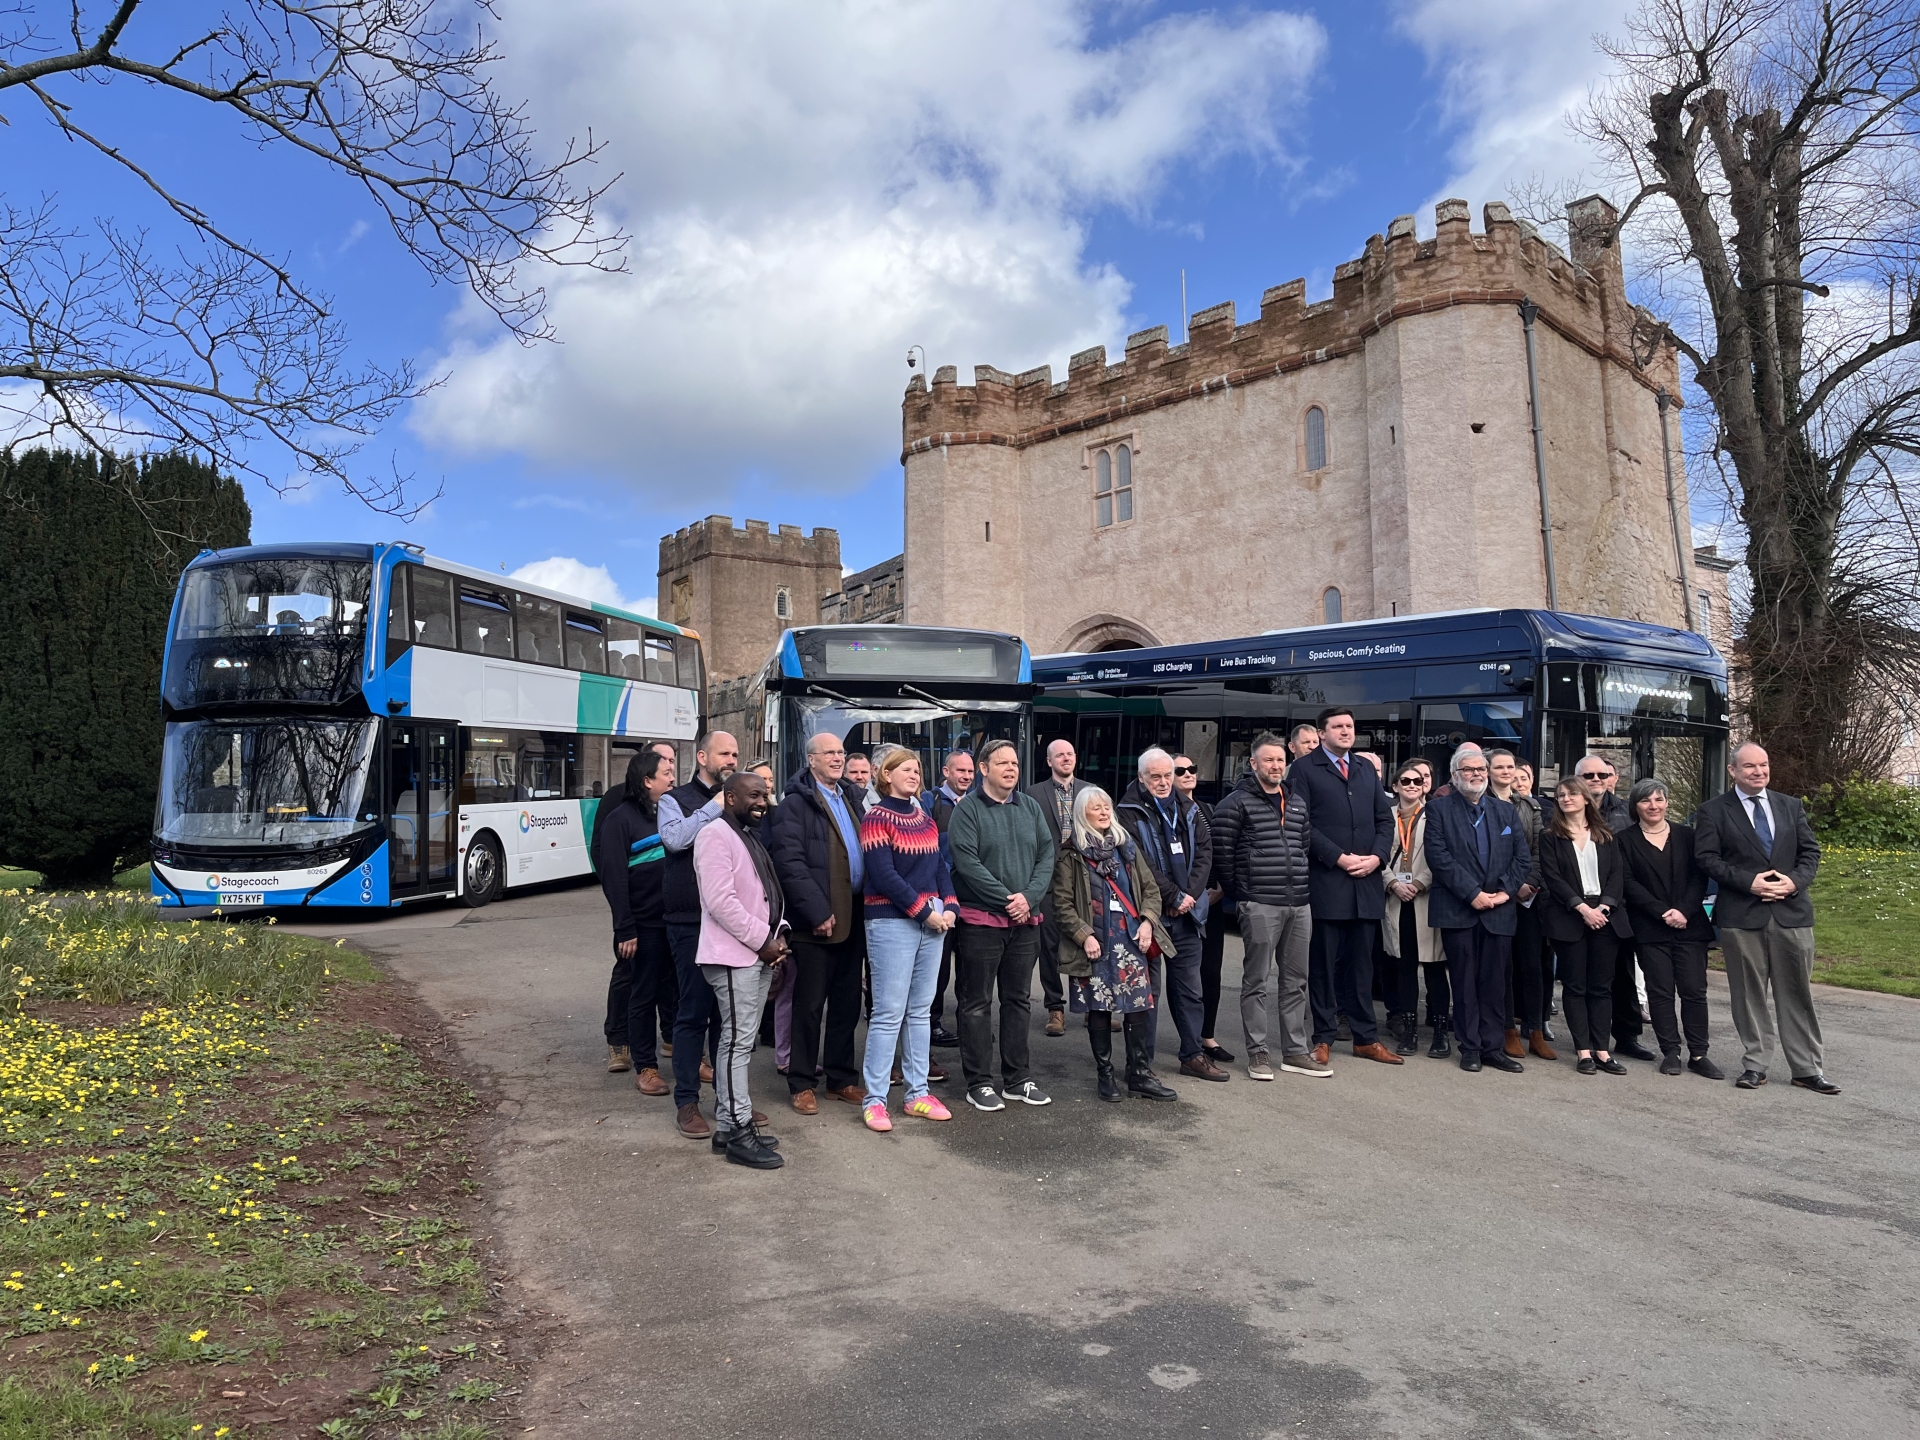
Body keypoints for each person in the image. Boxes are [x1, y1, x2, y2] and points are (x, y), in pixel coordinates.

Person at [1694, 743, 1836, 1094]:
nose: (1758, 771)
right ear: (1733, 771)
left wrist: (1793, 882)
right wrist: (1750, 883)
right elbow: (1707, 858)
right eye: (1749, 767)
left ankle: (1806, 1068)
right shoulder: (1713, 811)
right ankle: (1755, 1064)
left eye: (1764, 765)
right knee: (1748, 994)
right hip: (1742, 914)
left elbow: (1810, 853)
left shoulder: (1791, 806)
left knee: (1797, 993)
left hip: (1792, 913)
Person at [950, 737, 1058, 1111]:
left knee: (1018, 1001)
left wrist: (1028, 898)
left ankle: (1018, 1079)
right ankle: (978, 1081)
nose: (1011, 769)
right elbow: (967, 863)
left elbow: (1047, 855)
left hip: (1025, 921)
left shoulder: (1028, 806)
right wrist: (1007, 900)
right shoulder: (968, 810)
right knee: (976, 1003)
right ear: (983, 769)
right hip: (981, 923)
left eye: (1014, 763)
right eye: (1003, 764)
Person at [1052, 787, 1179, 1101]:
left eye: (1106, 806)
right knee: (1099, 1008)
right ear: (1083, 813)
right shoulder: (1072, 854)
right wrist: (1085, 935)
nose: (1104, 812)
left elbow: (1150, 890)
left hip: (1130, 938)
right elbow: (1062, 904)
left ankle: (1138, 1075)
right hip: (1095, 941)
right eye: (1096, 808)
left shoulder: (1126, 848)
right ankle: (1105, 1076)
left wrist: (1148, 921)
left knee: (1137, 1006)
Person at [766, 731, 870, 1116]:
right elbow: (789, 863)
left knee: (847, 1003)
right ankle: (801, 1082)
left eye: (841, 752)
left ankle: (841, 1080)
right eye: (829, 753)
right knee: (808, 1006)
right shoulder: (795, 804)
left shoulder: (852, 797)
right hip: (817, 924)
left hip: (855, 917)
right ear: (811, 759)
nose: (838, 758)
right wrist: (816, 912)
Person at [1210, 732, 1323, 1081]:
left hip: (1298, 905)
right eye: (1268, 760)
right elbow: (1222, 854)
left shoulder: (1298, 803)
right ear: (1253, 763)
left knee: (1295, 982)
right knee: (1256, 981)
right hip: (1259, 903)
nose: (1276, 766)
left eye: (1280, 760)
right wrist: (1241, 894)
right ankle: (1258, 1053)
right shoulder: (1235, 803)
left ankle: (1295, 1051)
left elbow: (1302, 849)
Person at [1290, 707, 1399, 1065]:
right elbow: (1301, 824)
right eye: (1337, 726)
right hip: (1327, 881)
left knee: (1362, 966)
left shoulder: (1367, 769)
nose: (1345, 731)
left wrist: (1377, 858)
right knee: (1322, 965)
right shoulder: (1304, 770)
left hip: (1365, 883)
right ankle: (1322, 1037)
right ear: (1322, 733)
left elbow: (1385, 820)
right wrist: (1338, 857)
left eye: (1350, 726)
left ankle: (1366, 1038)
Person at [692, 770, 789, 1170]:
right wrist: (762, 942)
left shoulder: (746, 835)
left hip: (754, 953)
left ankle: (729, 1128)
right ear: (729, 797)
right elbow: (721, 902)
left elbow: (765, 893)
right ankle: (739, 1132)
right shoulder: (714, 834)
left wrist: (779, 935)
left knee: (740, 1043)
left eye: (765, 794)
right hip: (734, 956)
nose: (762, 802)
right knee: (735, 1045)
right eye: (753, 795)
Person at [857, 746, 956, 1130]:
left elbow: (940, 868)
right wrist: (924, 911)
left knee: (919, 1011)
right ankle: (875, 1099)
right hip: (891, 921)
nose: (915, 775)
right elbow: (883, 875)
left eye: (917, 770)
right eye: (907, 770)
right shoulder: (876, 817)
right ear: (886, 775)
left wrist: (950, 907)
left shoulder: (925, 816)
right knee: (887, 1013)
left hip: (931, 919)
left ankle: (916, 1094)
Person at [1118, 748, 1226, 1082]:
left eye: (1169, 775)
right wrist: (1172, 895)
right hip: (1148, 917)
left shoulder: (1190, 808)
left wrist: (1190, 896)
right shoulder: (1126, 814)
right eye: (1156, 776)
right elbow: (1138, 861)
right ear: (1141, 777)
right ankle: (1141, 1064)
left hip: (1186, 916)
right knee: (1146, 994)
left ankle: (1192, 1055)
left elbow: (1206, 853)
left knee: (1190, 990)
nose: (1164, 782)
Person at [1424, 744, 1530, 1074]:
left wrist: (1502, 894)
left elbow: (1522, 858)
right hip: (1460, 909)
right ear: (1455, 776)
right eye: (1468, 770)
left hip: (1498, 910)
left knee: (1495, 983)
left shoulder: (1505, 812)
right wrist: (1473, 894)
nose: (1476, 775)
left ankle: (1493, 1047)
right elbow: (1439, 858)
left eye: (1481, 770)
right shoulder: (1439, 810)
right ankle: (1469, 1046)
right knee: (1465, 981)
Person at [659, 730, 738, 1140]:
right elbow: (674, 840)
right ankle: (687, 1102)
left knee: (727, 1018)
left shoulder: (738, 798)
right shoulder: (676, 800)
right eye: (725, 753)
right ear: (703, 756)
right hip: (690, 922)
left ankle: (731, 1103)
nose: (732, 759)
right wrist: (714, 808)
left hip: (731, 924)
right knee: (692, 1013)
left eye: (736, 754)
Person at [1618, 778, 1723, 1079]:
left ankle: (1699, 1054)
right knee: (1660, 992)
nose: (1653, 806)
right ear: (1635, 806)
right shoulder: (1624, 840)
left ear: (1666, 803)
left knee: (1694, 992)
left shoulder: (1687, 836)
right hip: (1650, 928)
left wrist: (1684, 911)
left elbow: (1698, 877)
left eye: (1659, 799)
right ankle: (1671, 1052)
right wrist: (1662, 911)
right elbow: (1628, 883)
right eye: (1646, 801)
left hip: (1689, 925)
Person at [595, 748, 677, 1100]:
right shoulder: (621, 819)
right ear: (646, 781)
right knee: (642, 995)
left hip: (675, 922)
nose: (673, 777)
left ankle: (688, 1058)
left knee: (676, 993)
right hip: (643, 926)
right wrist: (624, 929)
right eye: (665, 772)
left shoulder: (671, 814)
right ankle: (646, 1066)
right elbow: (614, 879)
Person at [1537, 778, 1634, 1075]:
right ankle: (1583, 1052)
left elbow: (1617, 875)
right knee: (1576, 986)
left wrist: (1603, 907)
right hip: (1569, 916)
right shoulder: (1550, 836)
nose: (1566, 799)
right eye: (1561, 795)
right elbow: (1553, 879)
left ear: (1585, 799)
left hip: (1606, 915)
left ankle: (1602, 1050)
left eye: (1572, 794)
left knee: (1601, 987)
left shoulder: (1605, 834)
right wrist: (1582, 908)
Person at [1574, 754, 1655, 1062]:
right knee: (1581, 978)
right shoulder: (1567, 809)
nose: (1596, 780)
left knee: (1622, 975)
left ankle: (1626, 1036)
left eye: (1601, 775)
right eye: (1589, 775)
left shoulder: (1625, 812)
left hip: (1619, 905)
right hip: (1578, 906)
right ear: (1578, 777)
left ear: (1611, 777)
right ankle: (1587, 1039)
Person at [1489, 748, 1553, 1061]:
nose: (1505, 771)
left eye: (1510, 766)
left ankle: (1536, 1031)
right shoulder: (1481, 804)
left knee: (1533, 965)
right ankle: (1507, 1030)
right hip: (1498, 896)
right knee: (1504, 966)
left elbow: (1539, 849)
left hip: (1528, 897)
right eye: (1498, 766)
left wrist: (1529, 883)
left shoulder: (1530, 806)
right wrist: (1509, 887)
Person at [1380, 760, 1447, 1058]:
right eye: (1405, 781)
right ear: (1395, 786)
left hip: (1427, 899)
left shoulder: (1436, 815)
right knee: (1404, 969)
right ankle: (1409, 1032)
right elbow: (1376, 854)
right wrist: (1393, 883)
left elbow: (1443, 855)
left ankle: (1441, 1034)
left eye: (1417, 782)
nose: (1411, 786)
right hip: (1396, 900)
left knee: (1434, 969)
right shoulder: (1384, 817)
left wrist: (1419, 884)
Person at [1027, 738, 1091, 1038]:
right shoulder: (1034, 794)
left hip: (1085, 879)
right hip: (1049, 879)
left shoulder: (1090, 791)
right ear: (1049, 761)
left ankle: (1093, 1007)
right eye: (1059, 755)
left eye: (1070, 753)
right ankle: (1055, 1009)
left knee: (1088, 942)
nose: (1066, 758)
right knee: (1049, 946)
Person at [1175, 754, 1235, 1065]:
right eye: (1180, 770)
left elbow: (1222, 851)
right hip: (1181, 904)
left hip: (1212, 903)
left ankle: (1207, 1037)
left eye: (1192, 769)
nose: (1188, 774)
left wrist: (1223, 888)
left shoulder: (1208, 809)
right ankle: (1189, 1041)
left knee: (1211, 972)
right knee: (1182, 977)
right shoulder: (1165, 813)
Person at [923, 749, 974, 1048]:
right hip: (942, 901)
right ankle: (932, 1024)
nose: (966, 777)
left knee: (970, 968)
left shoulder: (980, 804)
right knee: (938, 968)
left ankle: (970, 1025)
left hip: (973, 899)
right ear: (946, 771)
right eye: (960, 771)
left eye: (970, 772)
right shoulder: (930, 803)